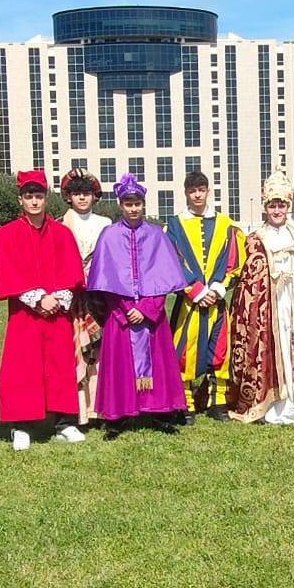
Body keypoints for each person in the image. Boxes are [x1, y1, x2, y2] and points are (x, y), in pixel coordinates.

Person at [227, 172, 294, 424]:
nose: (277, 210)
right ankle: (269, 402)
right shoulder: (253, 240)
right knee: (271, 348)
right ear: (265, 208)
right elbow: (247, 281)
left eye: (281, 205)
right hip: (268, 309)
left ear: (288, 207)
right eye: (272, 205)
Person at [86, 174, 189, 438]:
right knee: (119, 367)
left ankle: (159, 413)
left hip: (151, 316)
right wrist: (123, 310)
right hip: (119, 316)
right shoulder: (108, 236)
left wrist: (145, 309)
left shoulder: (155, 235)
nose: (133, 208)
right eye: (128, 203)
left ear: (144, 204)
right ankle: (117, 418)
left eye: (138, 203)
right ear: (120, 204)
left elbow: (165, 279)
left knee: (158, 363)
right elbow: (104, 282)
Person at [0, 170, 88, 450]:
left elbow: (73, 272)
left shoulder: (62, 233)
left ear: (46, 198)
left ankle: (64, 422)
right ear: (20, 199)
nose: (34, 201)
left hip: (57, 312)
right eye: (29, 196)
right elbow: (7, 271)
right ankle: (21, 426)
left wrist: (57, 298)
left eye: (39, 195)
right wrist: (36, 299)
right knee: (23, 367)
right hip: (25, 313)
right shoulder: (6, 233)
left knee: (60, 366)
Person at [165, 170, 242, 423]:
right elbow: (171, 262)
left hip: (217, 301)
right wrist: (195, 290)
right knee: (184, 350)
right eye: (192, 190)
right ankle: (185, 402)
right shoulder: (174, 226)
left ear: (209, 191)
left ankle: (217, 401)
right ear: (186, 193)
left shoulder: (226, 225)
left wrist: (220, 288)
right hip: (189, 302)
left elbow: (234, 261)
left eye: (201, 189)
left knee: (220, 349)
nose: (197, 195)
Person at [59, 169, 111, 425]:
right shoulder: (60, 225)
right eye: (77, 193)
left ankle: (98, 409)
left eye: (87, 193)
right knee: (75, 349)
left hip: (99, 296)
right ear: (68, 196)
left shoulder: (106, 224)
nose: (82, 198)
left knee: (99, 352)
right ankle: (78, 410)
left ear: (94, 196)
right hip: (71, 296)